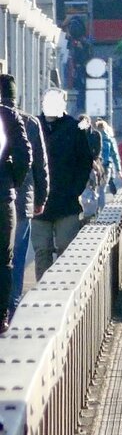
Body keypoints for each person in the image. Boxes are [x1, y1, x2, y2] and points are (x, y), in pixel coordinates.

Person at [32, 89, 95, 280]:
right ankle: (43, 289)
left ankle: (63, 287)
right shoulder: (34, 125)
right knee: (41, 250)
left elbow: (85, 161)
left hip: (67, 202)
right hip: (38, 202)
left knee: (66, 249)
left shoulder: (74, 128)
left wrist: (75, 189)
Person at [0, 75, 49, 317]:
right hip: (22, 202)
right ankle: (12, 305)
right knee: (15, 256)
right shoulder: (29, 122)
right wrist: (41, 197)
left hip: (8, 195)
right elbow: (39, 164)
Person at [0, 85, 32, 332]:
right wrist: (12, 180)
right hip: (2, 197)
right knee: (3, 259)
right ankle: (1, 317)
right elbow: (25, 154)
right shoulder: (8, 115)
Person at [95, 119, 122, 205]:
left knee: (96, 189)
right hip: (107, 167)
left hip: (96, 166)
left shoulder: (94, 138)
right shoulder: (109, 139)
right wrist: (118, 169)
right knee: (102, 189)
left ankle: (95, 210)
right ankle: (101, 210)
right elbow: (115, 155)